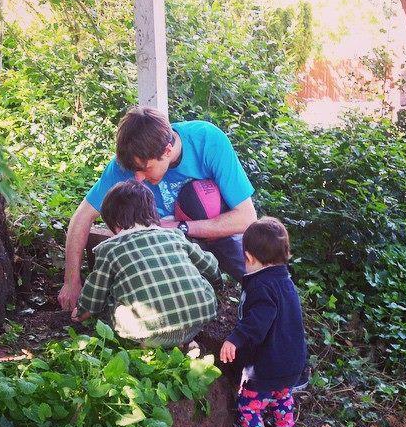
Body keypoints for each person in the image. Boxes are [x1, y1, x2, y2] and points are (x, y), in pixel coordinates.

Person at [58, 107, 257, 312]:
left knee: (263, 273)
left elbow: (246, 218)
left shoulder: (208, 141)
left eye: (145, 168)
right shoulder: (127, 164)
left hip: (216, 231)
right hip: (165, 246)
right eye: (134, 171)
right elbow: (82, 216)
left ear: (167, 151)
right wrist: (71, 281)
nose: (138, 178)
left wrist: (179, 227)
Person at [72, 180, 222, 346]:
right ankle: (186, 342)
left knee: (109, 303)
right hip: (197, 319)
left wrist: (81, 313)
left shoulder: (109, 250)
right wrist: (217, 283)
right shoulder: (175, 235)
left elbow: (95, 293)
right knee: (200, 281)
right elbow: (211, 267)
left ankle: (147, 347)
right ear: (152, 212)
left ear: (115, 224)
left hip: (146, 333)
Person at [220, 217, 307, 427]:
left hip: (268, 363)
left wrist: (234, 339)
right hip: (293, 361)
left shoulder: (260, 286)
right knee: (282, 394)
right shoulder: (286, 282)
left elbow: (257, 322)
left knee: (248, 404)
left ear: (248, 257)